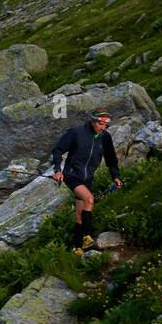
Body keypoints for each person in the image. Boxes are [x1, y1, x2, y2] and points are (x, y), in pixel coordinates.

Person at [52, 109, 122, 254]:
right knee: (89, 199)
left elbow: (111, 159)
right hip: (71, 175)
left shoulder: (105, 137)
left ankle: (77, 248)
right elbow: (57, 149)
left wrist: (115, 176)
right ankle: (87, 236)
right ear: (93, 121)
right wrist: (58, 170)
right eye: (101, 124)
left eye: (106, 126)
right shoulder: (77, 132)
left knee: (79, 215)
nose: (103, 128)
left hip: (87, 179)